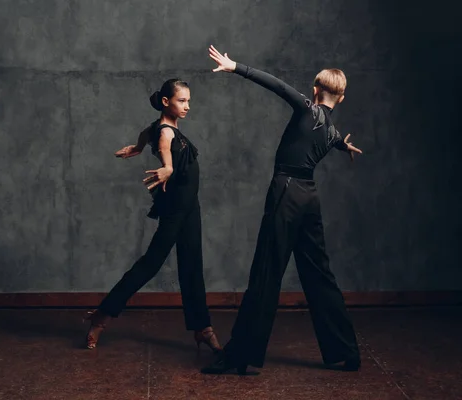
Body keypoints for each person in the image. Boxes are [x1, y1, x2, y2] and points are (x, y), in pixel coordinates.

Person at [201, 45, 363, 375]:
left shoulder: (307, 108)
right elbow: (330, 139)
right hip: (309, 198)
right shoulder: (331, 130)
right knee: (320, 274)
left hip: (286, 191)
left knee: (266, 273)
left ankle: (239, 358)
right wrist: (343, 144)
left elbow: (275, 84)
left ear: (315, 90)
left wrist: (235, 67)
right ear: (341, 99)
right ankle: (346, 352)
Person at [84, 79, 222, 354]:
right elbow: (163, 148)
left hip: (190, 208)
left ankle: (202, 329)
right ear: (165, 102)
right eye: (182, 101)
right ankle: (103, 315)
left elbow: (147, 134)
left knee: (192, 266)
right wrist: (167, 168)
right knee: (150, 264)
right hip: (176, 208)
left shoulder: (160, 128)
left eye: (188, 101)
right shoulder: (167, 134)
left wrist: (136, 148)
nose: (187, 106)